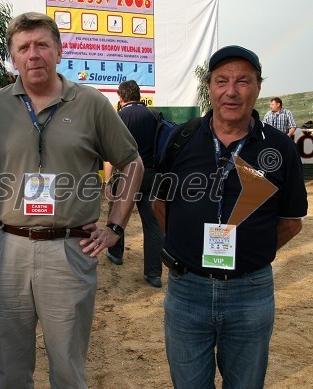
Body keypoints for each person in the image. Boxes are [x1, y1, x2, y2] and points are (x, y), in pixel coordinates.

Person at [0, 12, 143, 388]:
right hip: (6, 248)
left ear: (59, 50)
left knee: (68, 369)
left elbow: (132, 163)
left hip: (68, 250)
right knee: (11, 369)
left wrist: (115, 226)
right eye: (23, 48)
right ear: (13, 58)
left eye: (42, 45)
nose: (33, 54)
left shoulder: (91, 104)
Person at [152, 45, 308, 388]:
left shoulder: (280, 148)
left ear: (258, 87)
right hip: (186, 290)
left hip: (250, 293)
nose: (232, 91)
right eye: (222, 81)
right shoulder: (181, 139)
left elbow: (291, 222)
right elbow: (160, 205)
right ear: (209, 87)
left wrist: (251, 252)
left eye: (243, 81)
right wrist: (187, 248)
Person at [104, 80, 164, 288]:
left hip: (126, 173)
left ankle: (115, 253)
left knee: (117, 214)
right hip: (152, 174)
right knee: (153, 224)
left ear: (121, 97)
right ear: (138, 95)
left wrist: (108, 182)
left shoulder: (118, 117)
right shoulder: (155, 115)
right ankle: (154, 273)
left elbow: (111, 155)